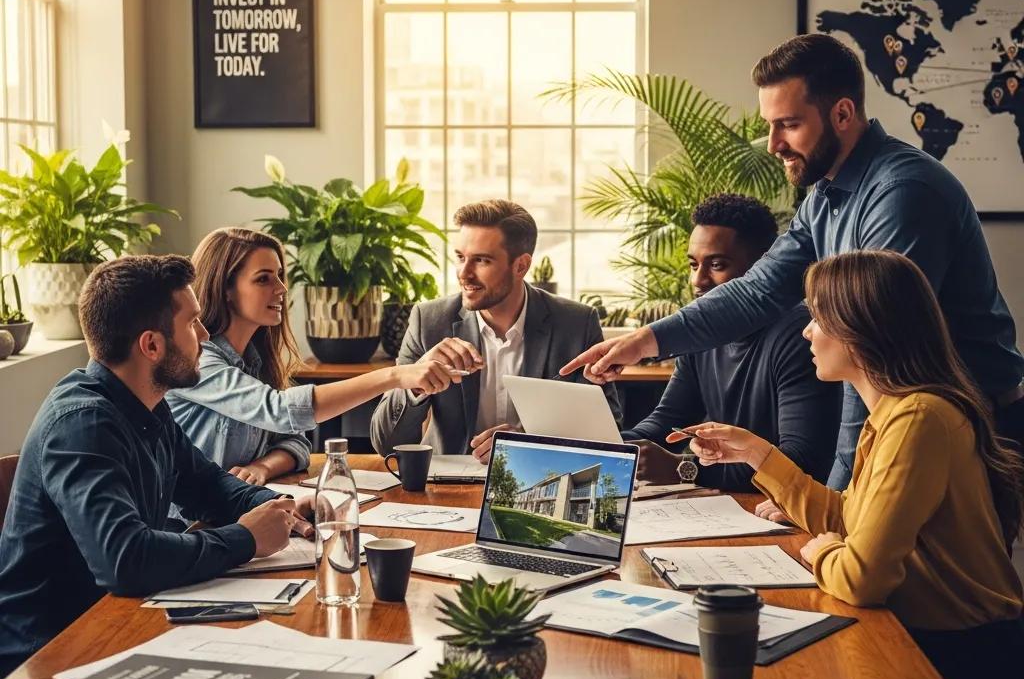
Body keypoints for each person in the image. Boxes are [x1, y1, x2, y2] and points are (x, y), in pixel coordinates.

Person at [562, 33, 1024, 490]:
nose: (772, 144)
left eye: (788, 124)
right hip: (914, 424)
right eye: (770, 124)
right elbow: (755, 291)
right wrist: (644, 341)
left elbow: (872, 351)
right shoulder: (824, 196)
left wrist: (839, 498)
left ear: (842, 113)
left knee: (945, 567)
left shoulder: (902, 193)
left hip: (967, 423)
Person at [679, 250, 1024, 679]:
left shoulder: (918, 419)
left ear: (859, 330)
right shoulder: (895, 411)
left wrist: (822, 552)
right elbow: (851, 518)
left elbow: (863, 576)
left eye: (818, 319)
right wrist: (755, 452)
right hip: (935, 643)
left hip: (962, 662)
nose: (806, 333)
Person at [0, 255, 318, 678]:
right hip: (51, 655)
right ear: (151, 345)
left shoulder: (145, 403)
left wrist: (282, 507)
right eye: (193, 324)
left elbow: (208, 485)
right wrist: (245, 538)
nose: (205, 336)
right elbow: (125, 560)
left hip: (118, 624)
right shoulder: (83, 424)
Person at [168, 228, 458, 485]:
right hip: (186, 526)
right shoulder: (200, 360)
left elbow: (296, 439)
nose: (281, 289)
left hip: (232, 512)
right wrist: (395, 376)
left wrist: (264, 466)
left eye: (280, 276)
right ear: (226, 289)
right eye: (264, 279)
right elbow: (282, 412)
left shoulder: (254, 363)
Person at [621, 193, 841, 491]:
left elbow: (800, 463)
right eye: (693, 265)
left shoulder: (801, 336)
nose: (698, 280)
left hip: (782, 511)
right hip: (727, 506)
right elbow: (667, 421)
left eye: (716, 264)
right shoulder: (701, 334)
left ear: (762, 272)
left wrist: (684, 469)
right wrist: (613, 445)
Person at [371, 199, 622, 459]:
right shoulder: (429, 321)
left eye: (481, 260)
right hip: (446, 485)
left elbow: (609, 432)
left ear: (521, 266)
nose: (464, 273)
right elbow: (386, 444)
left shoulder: (576, 324)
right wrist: (415, 382)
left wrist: (528, 446)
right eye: (460, 257)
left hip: (536, 480)